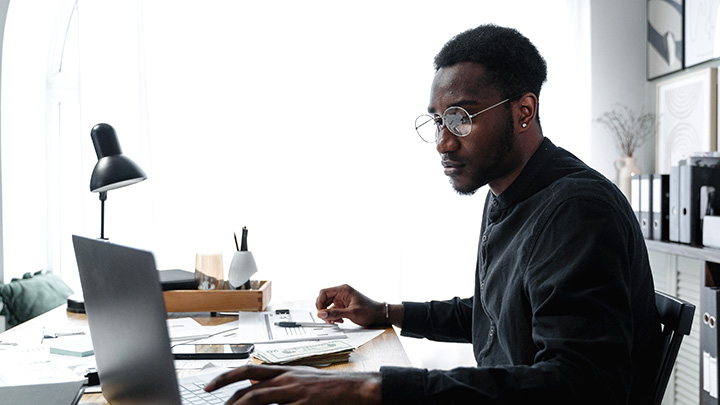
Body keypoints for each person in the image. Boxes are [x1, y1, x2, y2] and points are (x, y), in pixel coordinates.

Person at [205, 24, 663, 404]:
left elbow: (581, 387)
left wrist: (371, 387)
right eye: (438, 120)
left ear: (524, 111)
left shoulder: (576, 212)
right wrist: (384, 311)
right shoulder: (508, 191)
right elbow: (494, 313)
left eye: (462, 117)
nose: (444, 141)